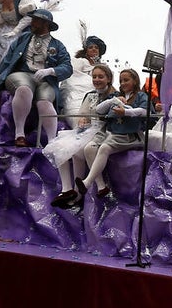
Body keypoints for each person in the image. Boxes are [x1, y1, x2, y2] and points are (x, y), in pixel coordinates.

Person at [0, 8, 74, 148]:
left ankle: (52, 141)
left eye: (35, 20)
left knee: (44, 102)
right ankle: (19, 134)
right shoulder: (23, 38)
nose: (32, 23)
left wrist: (50, 71)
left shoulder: (58, 45)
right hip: (22, 74)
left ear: (45, 23)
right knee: (24, 89)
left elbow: (67, 68)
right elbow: (8, 59)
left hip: (45, 80)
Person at [46, 63, 116, 208]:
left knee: (77, 151)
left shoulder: (114, 96)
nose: (96, 79)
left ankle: (78, 193)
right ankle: (66, 189)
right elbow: (83, 115)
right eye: (94, 76)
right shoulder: (89, 95)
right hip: (88, 129)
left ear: (108, 79)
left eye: (100, 77)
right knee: (59, 145)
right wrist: (83, 120)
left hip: (104, 131)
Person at [80, 68, 149, 198]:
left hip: (130, 136)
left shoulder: (141, 96)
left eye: (126, 80)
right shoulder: (116, 96)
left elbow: (144, 111)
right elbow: (99, 111)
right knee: (92, 148)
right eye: (121, 80)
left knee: (105, 147)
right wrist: (112, 101)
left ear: (135, 81)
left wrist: (127, 112)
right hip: (115, 133)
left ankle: (87, 182)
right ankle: (96, 185)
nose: (122, 83)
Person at [61, 33, 106, 121]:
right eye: (90, 47)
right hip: (77, 96)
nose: (94, 49)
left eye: (96, 48)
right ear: (86, 51)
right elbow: (72, 78)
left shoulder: (104, 67)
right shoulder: (79, 62)